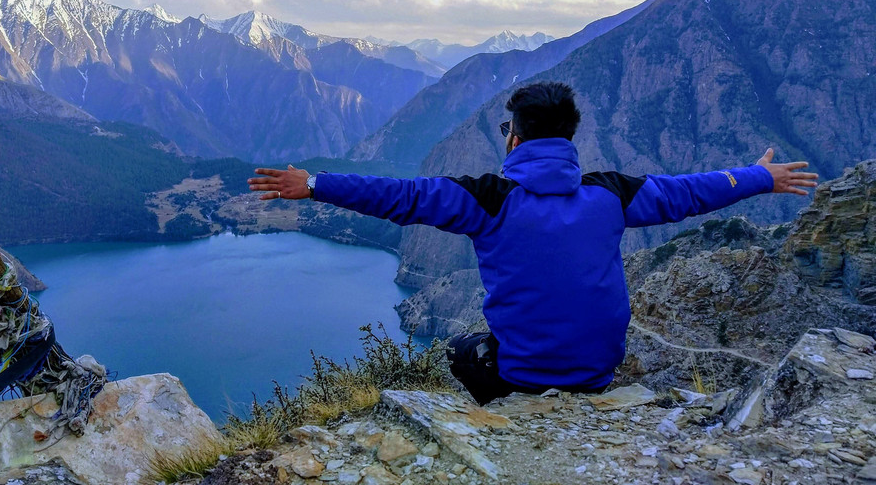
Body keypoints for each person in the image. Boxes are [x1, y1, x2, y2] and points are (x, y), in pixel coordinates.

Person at [248, 81, 818, 405]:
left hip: (522, 374)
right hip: (599, 371)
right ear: (568, 136)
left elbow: (401, 196)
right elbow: (689, 193)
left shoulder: (489, 199)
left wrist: (315, 184)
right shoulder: (612, 195)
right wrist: (759, 176)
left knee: (460, 350)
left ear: (514, 138)